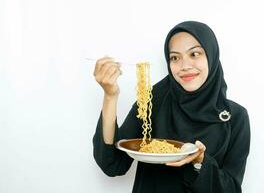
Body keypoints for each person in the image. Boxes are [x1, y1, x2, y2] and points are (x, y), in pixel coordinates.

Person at [92, 21, 250, 193]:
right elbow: (112, 164)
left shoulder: (235, 117)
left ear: (211, 56)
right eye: (175, 57)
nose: (185, 66)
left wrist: (200, 162)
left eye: (195, 54)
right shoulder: (151, 101)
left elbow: (231, 189)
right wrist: (110, 96)